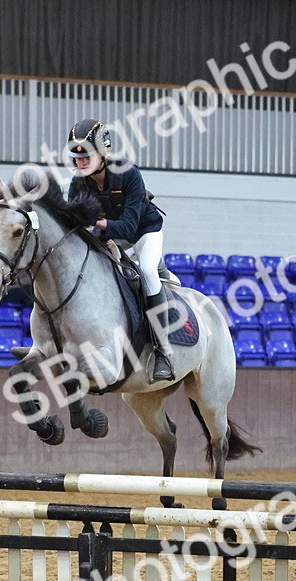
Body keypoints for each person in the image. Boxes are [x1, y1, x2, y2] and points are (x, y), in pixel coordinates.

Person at [65, 118, 173, 383]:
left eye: (86, 157)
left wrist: (96, 222)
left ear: (104, 153)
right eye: (76, 159)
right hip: (108, 232)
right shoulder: (78, 183)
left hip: (143, 231)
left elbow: (127, 227)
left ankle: (163, 352)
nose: (80, 164)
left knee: (147, 271)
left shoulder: (129, 174)